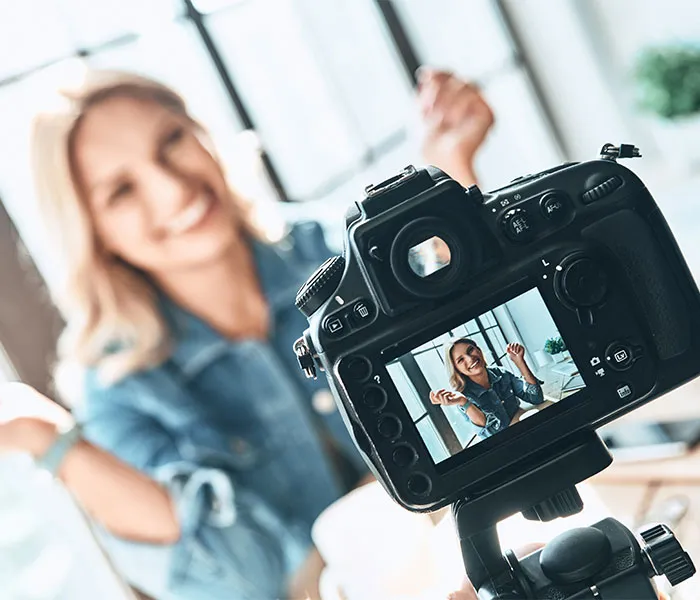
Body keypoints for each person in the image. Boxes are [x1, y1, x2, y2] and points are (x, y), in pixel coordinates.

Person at [0, 66, 494, 600]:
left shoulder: (332, 248)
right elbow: (238, 583)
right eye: (121, 190)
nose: (173, 188)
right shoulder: (120, 389)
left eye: (171, 141)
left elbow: (483, 365)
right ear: (91, 230)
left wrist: (448, 172)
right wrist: (43, 437)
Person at [431, 338, 544, 438]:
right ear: (457, 369)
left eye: (470, 350)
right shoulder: (463, 397)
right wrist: (463, 402)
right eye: (461, 360)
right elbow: (492, 433)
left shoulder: (501, 373)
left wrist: (519, 361)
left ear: (479, 350)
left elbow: (536, 398)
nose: (470, 359)